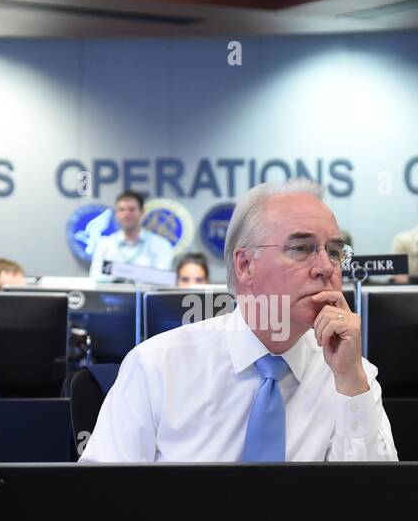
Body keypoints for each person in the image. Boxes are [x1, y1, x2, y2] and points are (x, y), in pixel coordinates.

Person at [81, 179, 398, 463]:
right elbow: (100, 500)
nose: (326, 268)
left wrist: (350, 382)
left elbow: (374, 506)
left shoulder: (353, 375)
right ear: (246, 265)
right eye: (302, 249)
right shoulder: (158, 366)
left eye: (334, 252)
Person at [89, 191, 174, 279]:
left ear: (142, 212)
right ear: (116, 214)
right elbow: (95, 277)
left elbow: (163, 279)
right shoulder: (104, 245)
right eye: (122, 210)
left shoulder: (161, 245)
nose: (126, 214)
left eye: (131, 209)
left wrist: (119, 272)